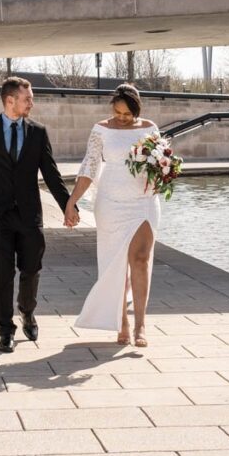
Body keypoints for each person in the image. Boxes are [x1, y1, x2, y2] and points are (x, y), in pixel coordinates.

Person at [0, 76, 75, 353]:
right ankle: (5, 330)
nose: (32, 103)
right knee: (2, 274)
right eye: (27, 98)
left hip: (29, 216)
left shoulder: (38, 132)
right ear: (10, 100)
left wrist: (68, 206)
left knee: (31, 269)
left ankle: (27, 310)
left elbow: (51, 173)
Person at [66, 84, 159, 347]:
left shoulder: (150, 128)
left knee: (140, 259)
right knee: (114, 265)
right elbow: (90, 166)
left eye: (127, 114)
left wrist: (164, 175)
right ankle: (123, 323)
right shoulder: (101, 129)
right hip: (110, 203)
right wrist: (72, 201)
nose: (121, 117)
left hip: (143, 200)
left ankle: (141, 323)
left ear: (136, 110)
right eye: (117, 112)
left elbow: (160, 161)